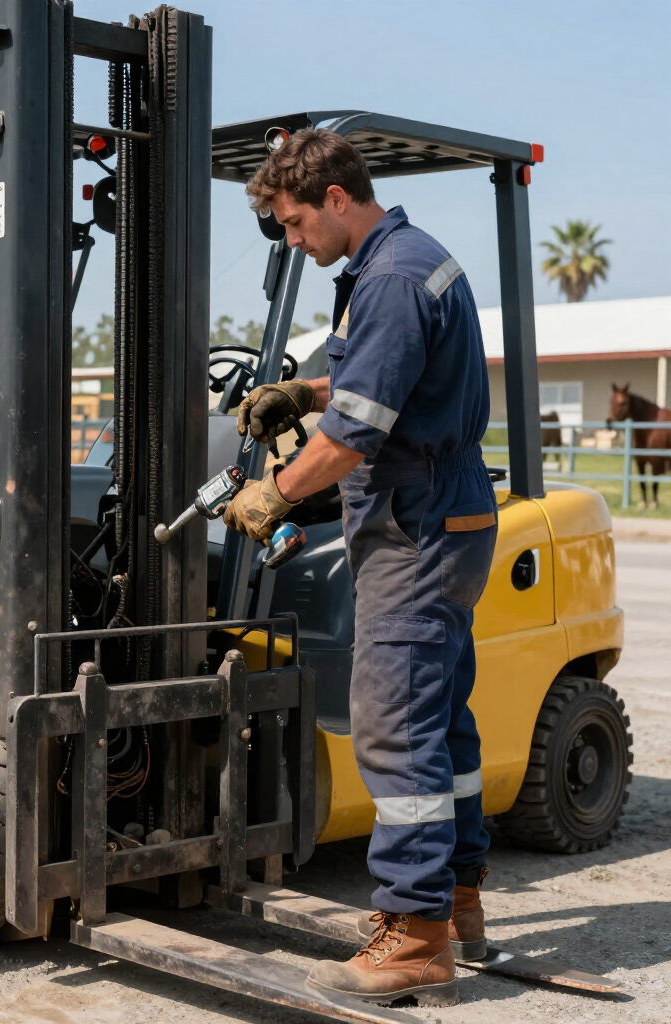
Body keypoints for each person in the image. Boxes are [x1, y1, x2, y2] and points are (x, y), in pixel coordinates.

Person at [225, 129, 497, 1009]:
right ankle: (456, 900)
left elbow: (354, 435)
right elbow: (374, 382)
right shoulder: (406, 260)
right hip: (445, 512)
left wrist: (272, 495)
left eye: (297, 224)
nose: (295, 243)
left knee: (392, 722)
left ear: (337, 198)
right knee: (439, 712)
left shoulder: (384, 277)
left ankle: (413, 936)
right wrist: (298, 393)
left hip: (413, 521)